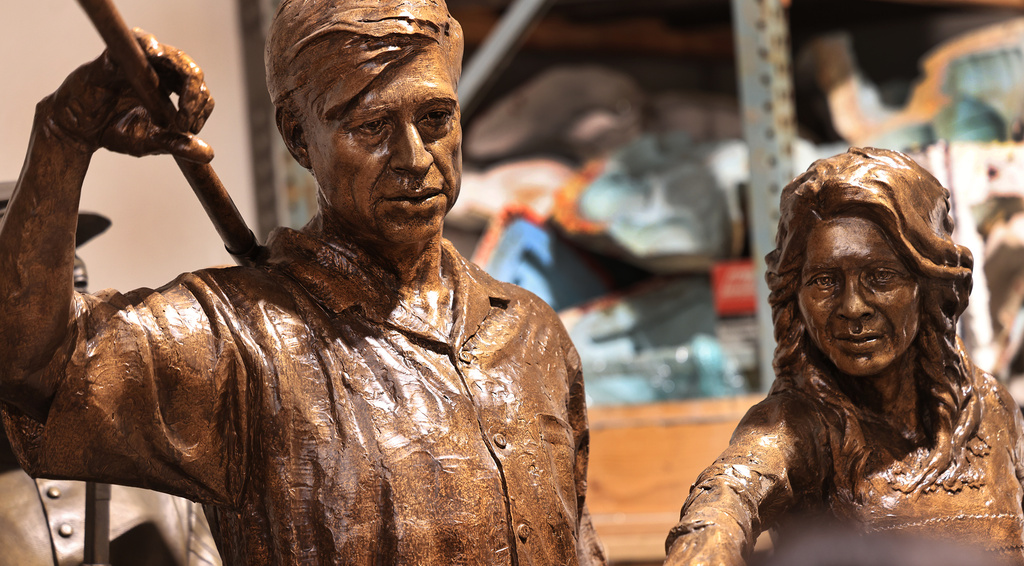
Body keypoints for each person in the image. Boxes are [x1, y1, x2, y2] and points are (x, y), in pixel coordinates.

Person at [0, 1, 605, 565]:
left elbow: (578, 540)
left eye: (436, 118)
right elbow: (32, 366)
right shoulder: (235, 344)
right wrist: (65, 133)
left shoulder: (532, 334)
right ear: (297, 137)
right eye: (371, 125)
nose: (415, 156)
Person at [664, 147, 1024, 565]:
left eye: (880, 277)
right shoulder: (794, 428)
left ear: (928, 286)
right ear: (794, 297)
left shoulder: (991, 408)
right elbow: (722, 504)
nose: (853, 306)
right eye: (824, 281)